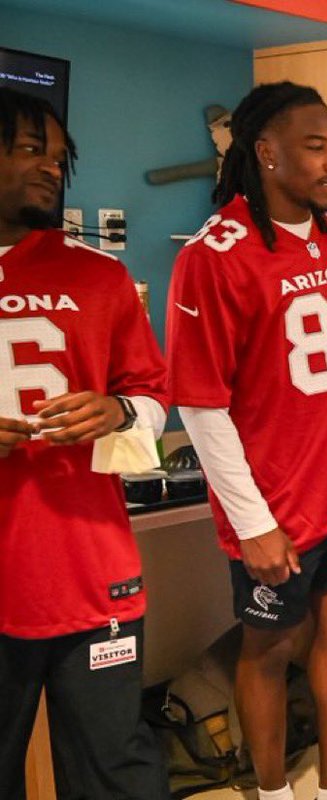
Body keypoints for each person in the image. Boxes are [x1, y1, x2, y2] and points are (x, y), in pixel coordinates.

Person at [166, 82, 327, 800]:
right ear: (266, 153)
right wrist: (253, 523)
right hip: (276, 499)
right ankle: (273, 793)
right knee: (268, 648)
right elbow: (201, 407)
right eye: (317, 145)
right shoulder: (215, 254)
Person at [0, 87, 171, 798]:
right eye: (30, 148)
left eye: (58, 155)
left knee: (115, 770)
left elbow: (157, 402)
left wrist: (118, 411)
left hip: (90, 570)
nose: (50, 167)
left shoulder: (100, 281)